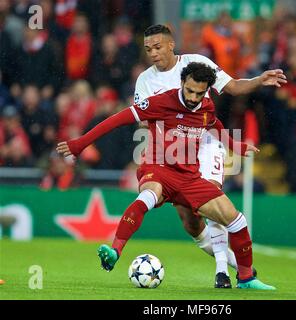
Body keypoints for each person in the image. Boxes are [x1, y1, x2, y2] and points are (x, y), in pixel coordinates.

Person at [57, 62, 276, 290]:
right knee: (148, 196)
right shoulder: (160, 102)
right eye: (189, 90)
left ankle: (246, 278)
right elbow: (116, 120)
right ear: (182, 83)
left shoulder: (206, 106)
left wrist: (234, 145)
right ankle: (114, 251)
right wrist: (80, 144)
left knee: (237, 221)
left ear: (207, 90)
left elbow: (214, 124)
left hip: (190, 178)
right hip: (159, 167)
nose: (192, 97)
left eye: (199, 93)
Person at [133, 24, 286, 288]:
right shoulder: (145, 80)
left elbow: (234, 86)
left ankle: (222, 274)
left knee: (210, 198)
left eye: (157, 47)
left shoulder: (197, 63)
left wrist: (259, 80)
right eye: (148, 49)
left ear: (171, 45)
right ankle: (238, 266)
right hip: (175, 151)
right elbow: (141, 121)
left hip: (206, 141)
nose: (153, 53)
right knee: (190, 222)